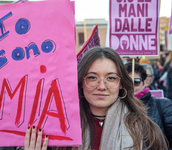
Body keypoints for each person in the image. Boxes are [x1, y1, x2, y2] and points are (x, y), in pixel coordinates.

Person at [25, 47, 168, 150]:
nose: (101, 86)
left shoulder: (146, 130)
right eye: (92, 78)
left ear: (121, 84)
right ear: (81, 82)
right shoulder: (54, 132)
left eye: (111, 78)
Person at [125, 62, 172, 150]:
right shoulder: (115, 107)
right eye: (127, 82)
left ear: (144, 83)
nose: (131, 87)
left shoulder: (164, 106)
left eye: (136, 82)